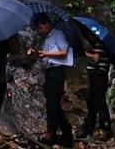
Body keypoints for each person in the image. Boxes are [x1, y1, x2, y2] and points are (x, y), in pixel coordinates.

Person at [28, 13, 74, 147]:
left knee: (52, 103)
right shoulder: (47, 39)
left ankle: (52, 132)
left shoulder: (57, 34)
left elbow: (64, 51)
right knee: (52, 103)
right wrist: (36, 54)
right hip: (49, 72)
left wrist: (46, 53)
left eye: (41, 28)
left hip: (57, 72)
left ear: (48, 24)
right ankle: (66, 133)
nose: (40, 31)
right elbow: (46, 57)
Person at [78, 33, 112, 140]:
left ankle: (106, 128)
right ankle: (90, 128)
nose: (90, 37)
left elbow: (96, 59)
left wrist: (84, 53)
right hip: (95, 76)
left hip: (99, 76)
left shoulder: (100, 45)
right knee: (91, 101)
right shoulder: (96, 46)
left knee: (99, 101)